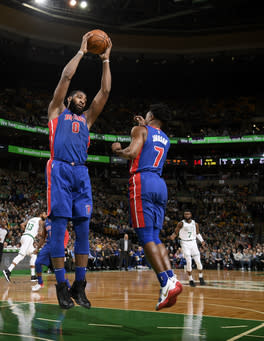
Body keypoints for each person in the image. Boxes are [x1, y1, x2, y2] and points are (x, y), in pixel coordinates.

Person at [46, 31, 112, 309]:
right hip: (59, 170)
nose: (83, 99)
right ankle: (61, 284)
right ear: (69, 99)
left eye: (85, 98)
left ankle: (79, 285)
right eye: (79, 96)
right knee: (59, 229)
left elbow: (105, 92)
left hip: (81, 174)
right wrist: (82, 52)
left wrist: (106, 60)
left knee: (84, 231)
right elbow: (65, 78)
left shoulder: (87, 120)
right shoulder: (57, 112)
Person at [111, 104, 182, 310]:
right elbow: (151, 141)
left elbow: (132, 153)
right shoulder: (166, 138)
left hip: (142, 180)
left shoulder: (139, 130)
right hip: (160, 184)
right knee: (155, 236)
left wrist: (117, 150)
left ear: (150, 115)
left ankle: (165, 282)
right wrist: (145, 127)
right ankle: (172, 278)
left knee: (144, 237)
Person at [3, 212, 47, 283]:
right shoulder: (41, 221)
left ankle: (33, 276)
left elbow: (21, 225)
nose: (46, 216)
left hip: (25, 236)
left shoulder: (31, 219)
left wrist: (27, 232)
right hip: (29, 238)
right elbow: (40, 233)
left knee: (33, 255)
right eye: (45, 214)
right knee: (21, 255)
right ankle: (8, 270)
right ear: (41, 215)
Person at [170, 210, 206, 287]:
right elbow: (176, 232)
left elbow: (197, 233)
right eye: (185, 214)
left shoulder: (195, 223)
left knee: (198, 261)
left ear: (191, 215)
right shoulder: (181, 223)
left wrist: (202, 241)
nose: (186, 215)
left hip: (193, 243)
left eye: (188, 214)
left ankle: (201, 277)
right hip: (184, 243)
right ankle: (191, 279)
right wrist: (172, 236)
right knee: (189, 261)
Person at [32, 219, 70, 292]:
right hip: (48, 245)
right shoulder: (45, 222)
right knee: (37, 263)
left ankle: (68, 286)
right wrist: (37, 248)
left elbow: (66, 234)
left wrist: (64, 246)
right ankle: (40, 283)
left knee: (60, 267)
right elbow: (43, 237)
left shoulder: (59, 220)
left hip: (58, 245)